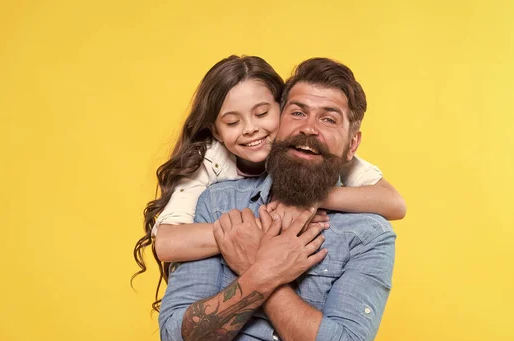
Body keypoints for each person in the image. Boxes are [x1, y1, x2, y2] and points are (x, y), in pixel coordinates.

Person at [158, 58, 396, 341]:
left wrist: (259, 268)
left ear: (352, 144)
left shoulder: (369, 232)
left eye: (329, 119)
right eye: (297, 113)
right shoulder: (216, 206)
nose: (309, 129)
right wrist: (265, 269)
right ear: (281, 121)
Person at [132, 55, 405, 311]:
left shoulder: (310, 150)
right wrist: (259, 229)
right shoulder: (209, 161)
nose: (250, 128)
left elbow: (394, 204)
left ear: (283, 108)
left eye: (262, 114)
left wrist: (311, 199)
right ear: (216, 130)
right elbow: (167, 243)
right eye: (232, 121)